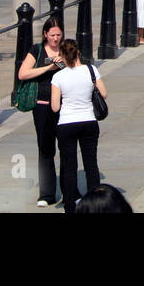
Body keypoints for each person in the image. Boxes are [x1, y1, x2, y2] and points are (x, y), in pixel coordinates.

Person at [49, 38, 106, 214]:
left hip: (67, 123)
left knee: (69, 166)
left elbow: (55, 106)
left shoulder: (58, 76)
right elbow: (103, 93)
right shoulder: (91, 70)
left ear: (62, 56)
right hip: (88, 121)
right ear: (78, 53)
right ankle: (95, 205)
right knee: (91, 164)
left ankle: (70, 207)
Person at [17, 17, 67, 207]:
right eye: (52, 35)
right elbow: (23, 73)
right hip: (42, 105)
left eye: (59, 35)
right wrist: (49, 67)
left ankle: (68, 190)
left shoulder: (66, 49)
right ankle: (46, 194)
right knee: (45, 148)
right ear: (45, 34)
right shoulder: (36, 50)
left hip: (64, 105)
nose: (55, 39)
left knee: (65, 147)